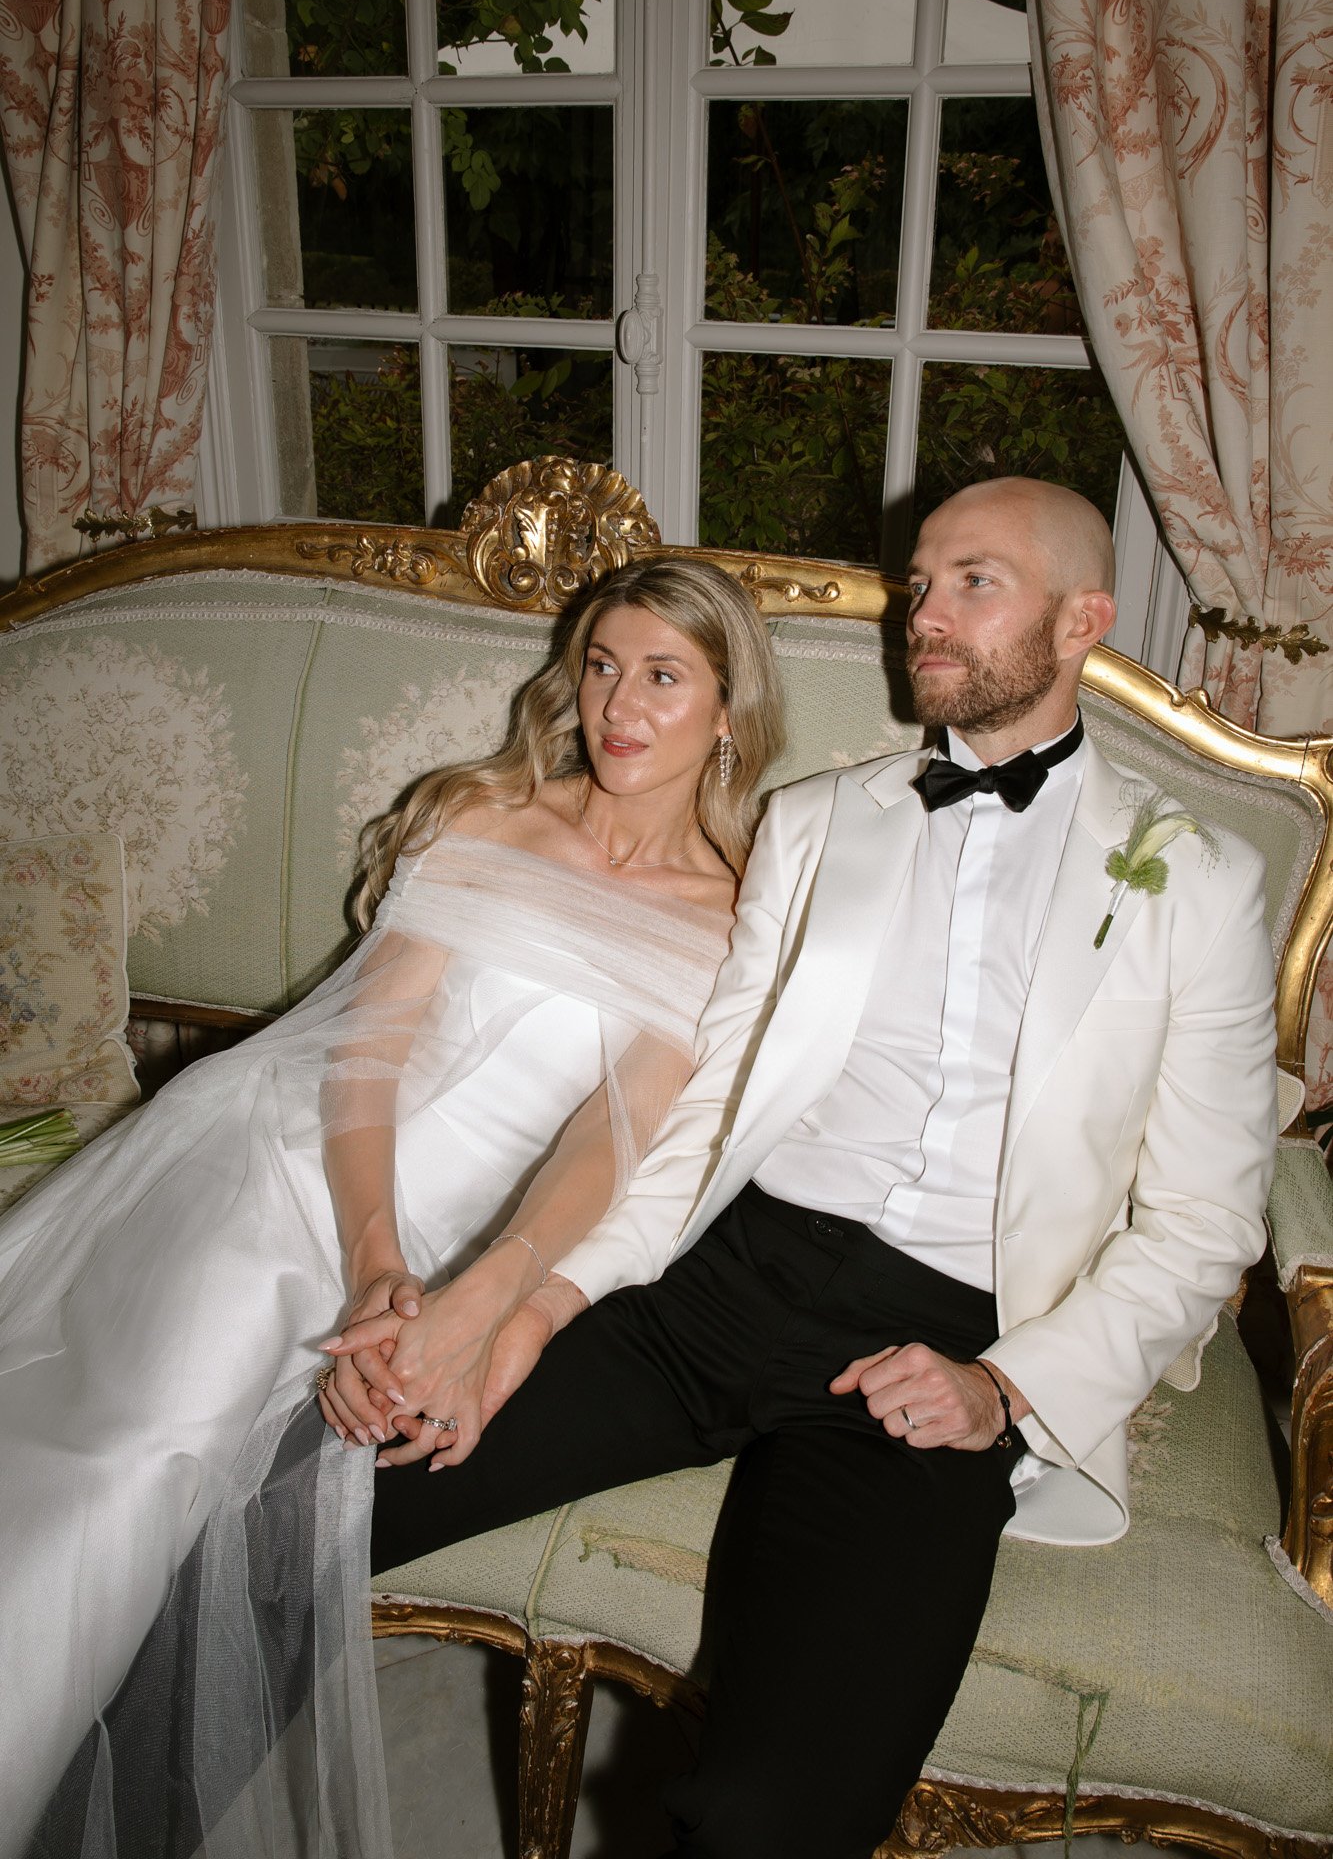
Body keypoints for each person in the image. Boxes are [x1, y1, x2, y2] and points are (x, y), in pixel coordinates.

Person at [368, 477, 1280, 1859]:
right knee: (332, 1490)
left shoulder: (1194, 878)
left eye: (974, 581)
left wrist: (1004, 1388)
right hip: (728, 1275)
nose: (925, 609)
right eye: (920, 580)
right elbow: (709, 1107)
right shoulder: (815, 820)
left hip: (942, 1354)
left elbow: (1208, 1220)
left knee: (765, 1814)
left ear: (1082, 618)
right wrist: (535, 1308)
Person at [0, 555, 785, 1859]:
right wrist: (372, 1256)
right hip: (287, 1170)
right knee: (134, 1460)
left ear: (727, 708)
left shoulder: (732, 916)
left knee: (237, 1487)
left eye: (662, 675)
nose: (618, 703)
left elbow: (610, 1140)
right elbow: (364, 1056)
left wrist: (473, 1293)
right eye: (599, 664)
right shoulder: (490, 820)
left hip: (451, 1246)